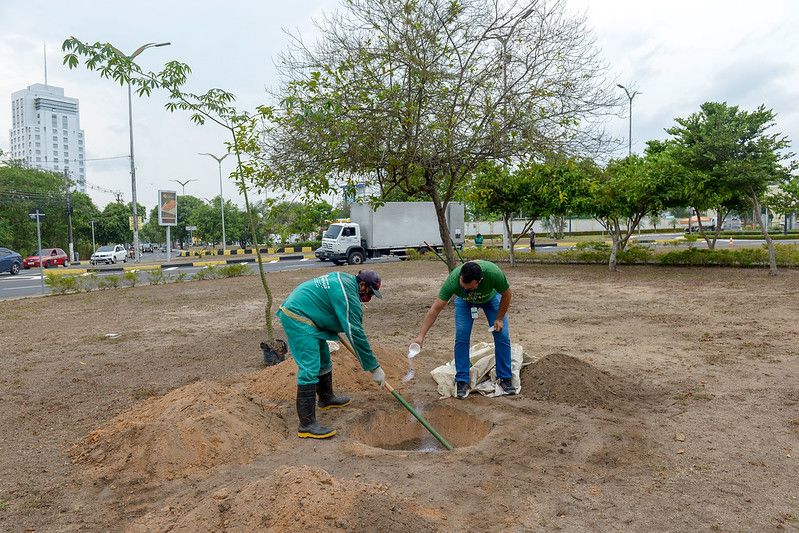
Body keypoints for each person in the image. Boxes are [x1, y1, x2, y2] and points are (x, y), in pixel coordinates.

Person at [277, 270, 386, 439]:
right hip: (298, 316)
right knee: (310, 366)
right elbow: (355, 332)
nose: (369, 298)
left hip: (310, 315)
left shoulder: (347, 282)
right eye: (370, 292)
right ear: (362, 285)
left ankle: (326, 398)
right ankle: (306, 425)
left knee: (324, 358)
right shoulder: (347, 292)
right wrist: (374, 367)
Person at [413, 260, 514, 399]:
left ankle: (505, 378)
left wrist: (500, 318)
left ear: (480, 281)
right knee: (461, 336)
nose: (465, 290)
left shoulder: (493, 273)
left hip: (491, 299)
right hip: (465, 303)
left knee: (501, 335)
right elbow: (435, 309)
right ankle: (462, 380)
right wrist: (421, 336)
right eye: (463, 287)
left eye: (469, 288)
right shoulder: (453, 281)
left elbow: (507, 294)